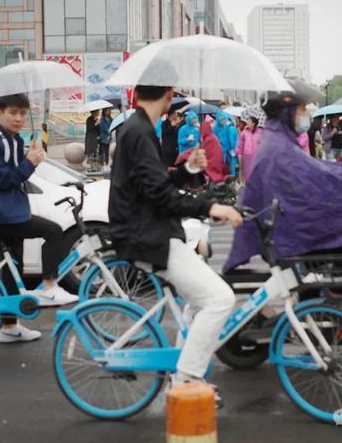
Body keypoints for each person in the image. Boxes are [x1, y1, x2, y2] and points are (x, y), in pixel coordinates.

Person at [225, 81, 342, 332]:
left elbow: (320, 173)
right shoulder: (279, 147)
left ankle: (340, 308)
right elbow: (319, 179)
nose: (307, 116)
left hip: (283, 226)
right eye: (303, 110)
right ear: (288, 112)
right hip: (289, 233)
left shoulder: (279, 140)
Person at [109, 81, 241, 400]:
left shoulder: (139, 128)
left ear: (137, 95)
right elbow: (160, 196)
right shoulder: (140, 133)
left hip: (150, 230)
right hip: (148, 234)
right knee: (220, 299)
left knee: (199, 302)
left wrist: (186, 169)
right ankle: (186, 378)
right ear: (170, 96)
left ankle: (182, 373)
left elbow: (156, 185)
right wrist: (211, 206)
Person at [0, 94, 78, 343]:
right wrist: (29, 164)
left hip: (11, 212)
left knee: (14, 270)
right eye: (13, 113)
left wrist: (28, 158)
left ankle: (10, 328)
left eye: (22, 113)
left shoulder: (12, 139)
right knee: (53, 231)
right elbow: (2, 180)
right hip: (0, 215)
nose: (19, 118)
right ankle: (48, 286)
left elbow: (14, 175)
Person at [237, 116, 263, 183]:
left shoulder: (261, 132)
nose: (247, 122)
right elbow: (240, 144)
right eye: (247, 121)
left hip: (257, 156)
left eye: (249, 121)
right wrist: (239, 154)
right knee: (248, 174)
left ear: (253, 123)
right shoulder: (244, 132)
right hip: (247, 156)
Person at [214, 110, 239, 177]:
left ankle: (230, 177)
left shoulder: (226, 127)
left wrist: (232, 147)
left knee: (230, 163)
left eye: (224, 119)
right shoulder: (215, 128)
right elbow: (214, 139)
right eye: (222, 120)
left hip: (227, 148)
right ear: (218, 120)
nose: (224, 121)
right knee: (221, 164)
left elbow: (230, 137)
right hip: (220, 150)